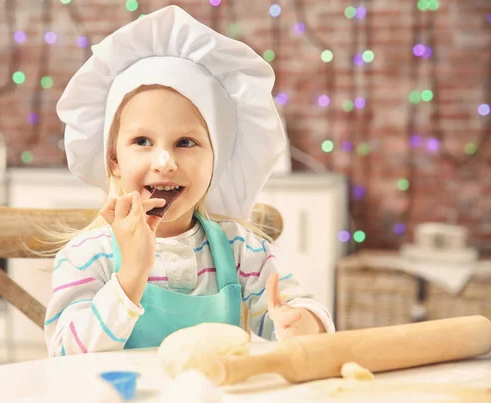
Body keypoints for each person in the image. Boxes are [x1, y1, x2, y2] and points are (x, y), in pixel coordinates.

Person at [44, 5, 335, 357]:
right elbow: (64, 356)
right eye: (142, 142)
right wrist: (131, 275)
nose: (164, 163)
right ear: (114, 160)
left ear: (217, 162)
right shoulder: (87, 256)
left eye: (186, 143)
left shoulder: (240, 250)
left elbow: (295, 305)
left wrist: (302, 322)